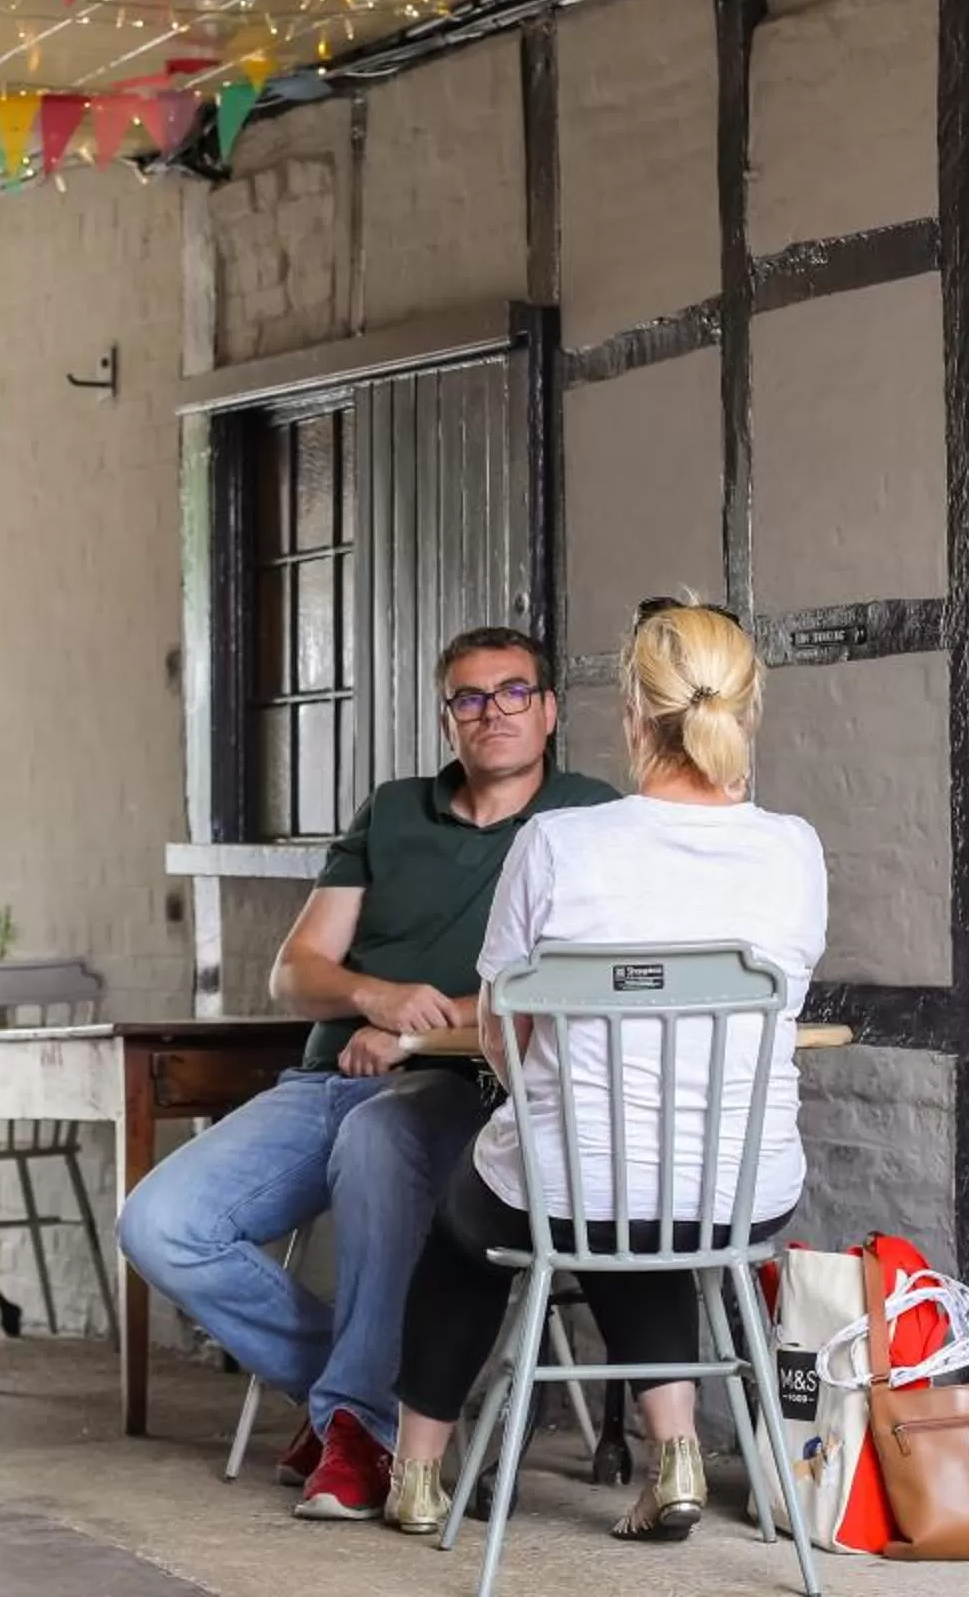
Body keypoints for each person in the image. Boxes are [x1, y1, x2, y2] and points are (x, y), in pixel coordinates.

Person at [116, 626, 617, 1521]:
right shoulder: (391, 811)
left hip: (471, 1089)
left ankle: (362, 1425)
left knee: (381, 1134)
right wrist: (379, 998)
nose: (490, 712)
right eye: (468, 697)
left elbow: (591, 978)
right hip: (329, 1079)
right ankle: (376, 1402)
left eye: (511, 693)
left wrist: (429, 1031)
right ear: (446, 718)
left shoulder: (588, 819)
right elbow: (298, 970)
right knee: (162, 1224)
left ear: (546, 711)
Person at [380, 598, 827, 1544]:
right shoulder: (794, 849)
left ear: (630, 712)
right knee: (649, 1191)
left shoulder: (557, 842)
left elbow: (503, 1032)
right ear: (746, 712)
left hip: (578, 1182)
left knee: (499, 1223)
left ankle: (415, 1474)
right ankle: (676, 1457)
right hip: (745, 1190)